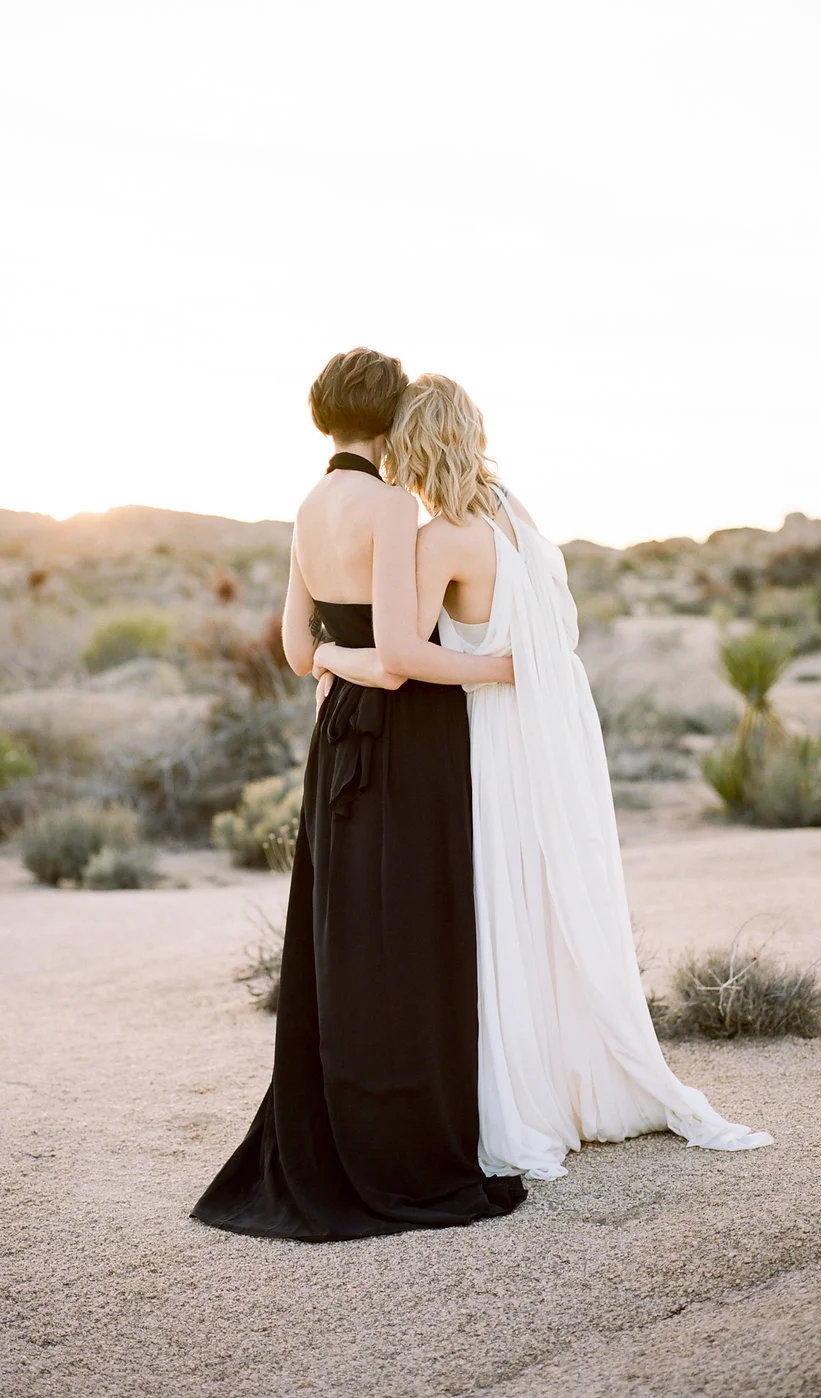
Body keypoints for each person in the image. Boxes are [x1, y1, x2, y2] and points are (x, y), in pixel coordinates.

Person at [315, 373, 773, 1181]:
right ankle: (574, 1076)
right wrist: (524, 667)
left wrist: (339, 657)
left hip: (492, 729)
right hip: (551, 730)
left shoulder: (441, 535)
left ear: (410, 441)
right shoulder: (514, 513)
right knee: (546, 893)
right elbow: (556, 627)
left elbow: (406, 655)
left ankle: (519, 1094)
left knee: (501, 904)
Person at [190, 350, 527, 1240]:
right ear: (389, 424)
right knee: (411, 929)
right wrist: (491, 666)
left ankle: (336, 1125)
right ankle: (404, 1144)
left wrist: (335, 663)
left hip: (331, 737)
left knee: (343, 931)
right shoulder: (390, 506)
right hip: (404, 736)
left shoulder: (306, 507)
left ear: (324, 419)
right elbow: (391, 660)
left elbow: (301, 653)